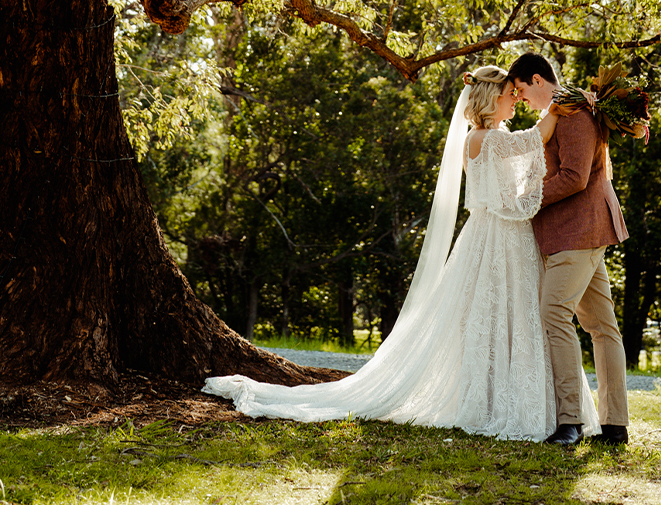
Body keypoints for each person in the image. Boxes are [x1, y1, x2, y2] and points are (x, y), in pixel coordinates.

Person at [202, 65, 600, 441]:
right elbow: (532, 141)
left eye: (517, 94)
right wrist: (561, 105)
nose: (515, 100)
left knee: (516, 318)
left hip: (512, 237)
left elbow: (528, 155)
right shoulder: (481, 139)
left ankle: (527, 401)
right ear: (490, 98)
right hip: (495, 237)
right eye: (509, 94)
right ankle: (498, 402)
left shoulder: (493, 137)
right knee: (494, 318)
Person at [508, 52, 630, 447]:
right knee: (601, 326)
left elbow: (575, 177)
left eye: (523, 91)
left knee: (554, 313)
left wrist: (530, 200)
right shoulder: (567, 110)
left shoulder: (575, 111)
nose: (523, 100)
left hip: (579, 232)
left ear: (539, 80)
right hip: (583, 231)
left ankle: (570, 423)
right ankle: (614, 427)